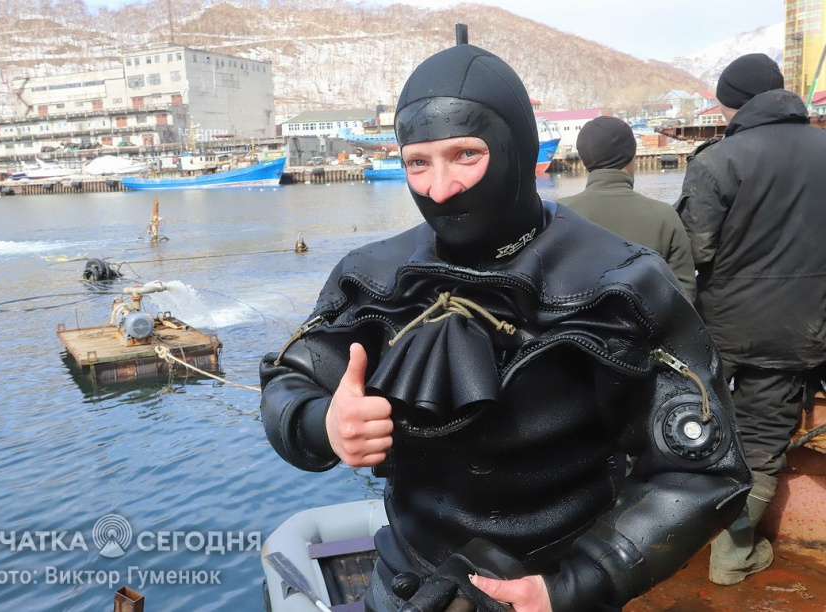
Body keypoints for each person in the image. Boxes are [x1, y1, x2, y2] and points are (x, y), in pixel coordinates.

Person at [261, 32, 751, 612]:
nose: (440, 189)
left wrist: (583, 582)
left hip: (560, 586)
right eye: (417, 163)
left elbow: (703, 470)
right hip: (405, 582)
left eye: (466, 154)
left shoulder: (622, 285)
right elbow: (289, 384)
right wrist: (326, 425)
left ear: (519, 149)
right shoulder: (371, 278)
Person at [676, 52, 826, 586]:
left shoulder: (718, 160)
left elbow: (696, 247)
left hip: (720, 326)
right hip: (800, 330)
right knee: (763, 436)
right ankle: (732, 555)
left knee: (697, 422)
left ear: (728, 101)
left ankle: (680, 529)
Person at [558, 116, 696, 301]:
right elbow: (684, 295)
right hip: (648, 327)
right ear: (632, 155)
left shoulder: (557, 215)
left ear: (583, 159)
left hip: (576, 328)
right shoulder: (664, 216)